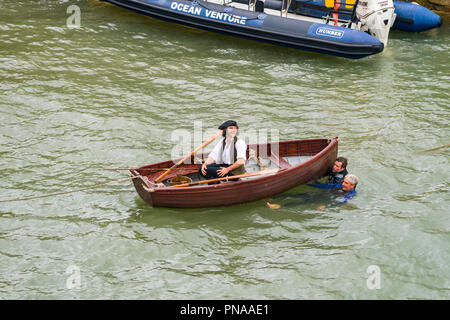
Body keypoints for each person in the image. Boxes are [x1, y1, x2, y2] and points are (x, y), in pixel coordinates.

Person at [266, 174, 359, 210]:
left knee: (302, 202)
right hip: (318, 195)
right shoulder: (338, 186)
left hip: (321, 200)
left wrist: (326, 206)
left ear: (352, 186)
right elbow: (325, 186)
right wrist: (308, 184)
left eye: (346, 183)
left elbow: (341, 202)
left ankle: (279, 206)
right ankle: (275, 197)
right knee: (298, 195)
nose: (343, 184)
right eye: (343, 181)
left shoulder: (351, 194)